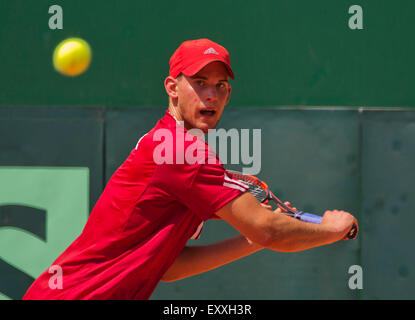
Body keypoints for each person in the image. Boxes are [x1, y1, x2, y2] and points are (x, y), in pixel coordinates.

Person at [23, 38, 358, 300]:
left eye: (220, 85)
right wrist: (332, 230)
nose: (210, 95)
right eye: (199, 82)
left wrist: (254, 241)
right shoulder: (181, 152)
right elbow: (268, 229)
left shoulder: (173, 144)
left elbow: (169, 267)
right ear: (172, 88)